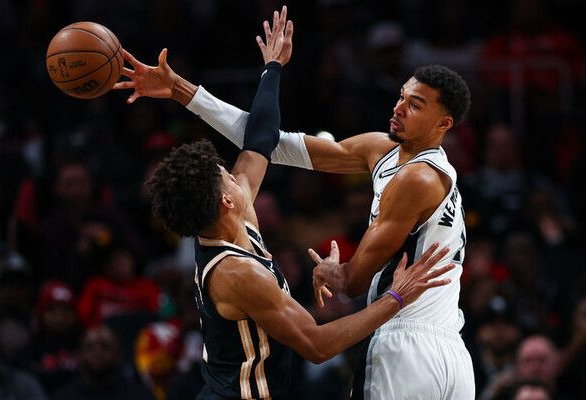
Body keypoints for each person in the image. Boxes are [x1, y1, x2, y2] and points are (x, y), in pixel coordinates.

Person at [118, 7, 457, 399]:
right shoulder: (235, 273)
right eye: (227, 175)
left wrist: (271, 67)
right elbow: (317, 345)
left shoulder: (231, 215)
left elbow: (260, 138)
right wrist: (396, 298)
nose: (237, 174)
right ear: (226, 199)